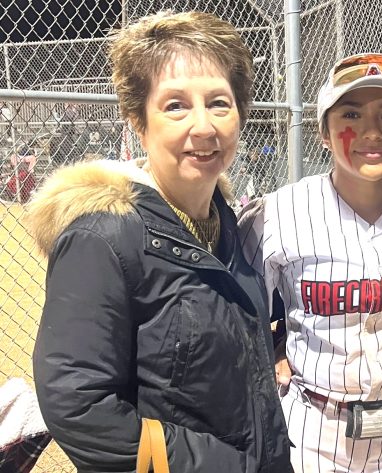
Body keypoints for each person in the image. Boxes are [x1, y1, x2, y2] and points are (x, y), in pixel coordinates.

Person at [26, 11, 290, 472]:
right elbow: (78, 406)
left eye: (219, 103)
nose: (204, 126)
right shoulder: (103, 237)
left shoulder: (226, 224)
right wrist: (219, 465)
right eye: (175, 105)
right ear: (137, 120)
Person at [239, 53, 382, 472]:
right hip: (316, 429)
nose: (372, 131)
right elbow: (243, 323)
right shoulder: (280, 213)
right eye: (352, 113)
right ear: (323, 131)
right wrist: (277, 351)